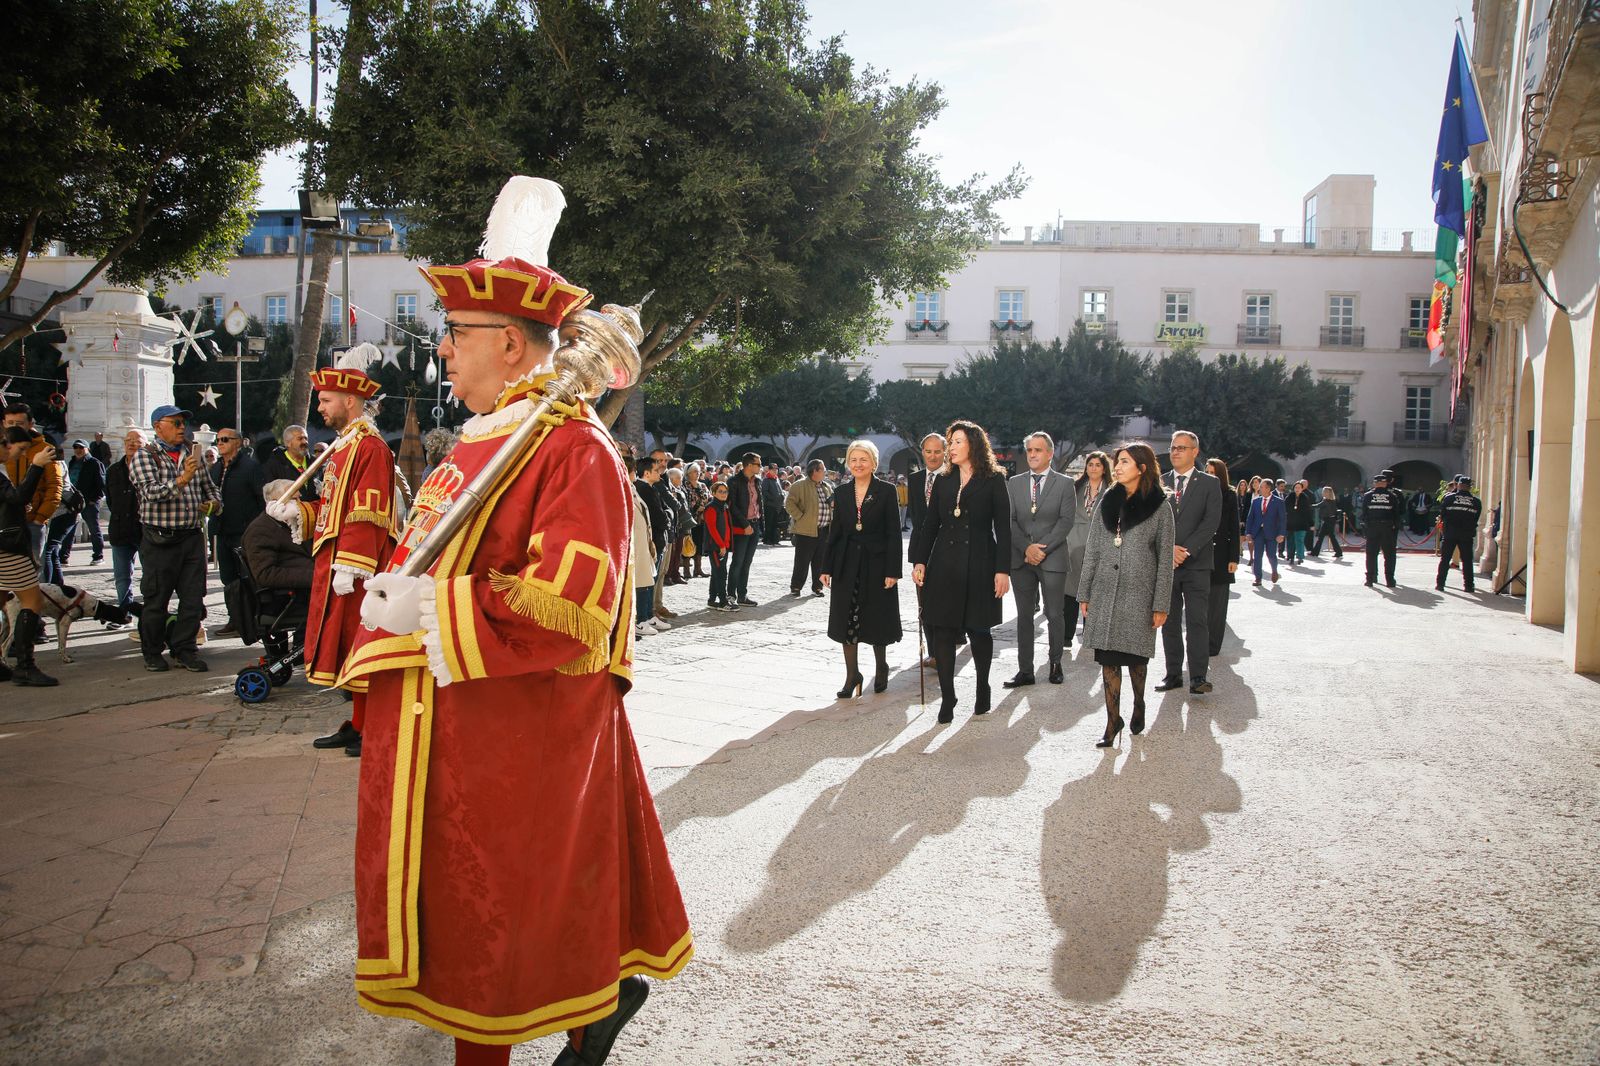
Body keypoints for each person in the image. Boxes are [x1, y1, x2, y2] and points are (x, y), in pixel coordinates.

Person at [345, 190, 692, 1065]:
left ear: (508, 341)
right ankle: (597, 1009)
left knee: (496, 933)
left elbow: (571, 610)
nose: (443, 349)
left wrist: (429, 609)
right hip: (445, 722)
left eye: (457, 333)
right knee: (472, 930)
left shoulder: (574, 448)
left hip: (513, 731)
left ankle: (589, 1009)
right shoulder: (476, 441)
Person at [265, 345, 400, 756]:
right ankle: (359, 723)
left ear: (349, 400)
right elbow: (333, 506)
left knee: (361, 644)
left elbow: (369, 509)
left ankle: (371, 726)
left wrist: (351, 565)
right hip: (337, 561)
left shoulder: (370, 448)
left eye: (325, 401)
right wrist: (297, 512)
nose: (319, 408)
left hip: (356, 568)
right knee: (347, 647)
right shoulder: (345, 445)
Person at [909, 420, 1011, 723]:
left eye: (956, 442)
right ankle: (948, 695)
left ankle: (982, 687)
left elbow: (1003, 529)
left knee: (979, 629)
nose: (950, 447)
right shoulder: (943, 479)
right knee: (942, 629)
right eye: (949, 442)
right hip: (945, 564)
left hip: (981, 563)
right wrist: (920, 561)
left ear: (973, 445)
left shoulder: (993, 479)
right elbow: (930, 524)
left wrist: (1002, 570)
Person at [1077, 443, 1175, 745]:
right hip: (1105, 590)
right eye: (1116, 462)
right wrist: (1085, 593)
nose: (1116, 467)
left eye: (1124, 462)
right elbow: (1093, 549)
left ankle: (1139, 703)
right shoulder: (1108, 500)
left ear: (1142, 467)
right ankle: (1111, 720)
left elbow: (1165, 559)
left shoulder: (1160, 506)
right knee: (1108, 659)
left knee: (1135, 658)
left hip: (1139, 593)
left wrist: (1161, 604)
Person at [129, 405, 220, 672]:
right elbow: (151, 493)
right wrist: (183, 479)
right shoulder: (145, 456)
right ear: (158, 426)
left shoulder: (194, 455)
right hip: (160, 539)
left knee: (193, 599)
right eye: (176, 422)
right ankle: (153, 651)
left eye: (184, 423)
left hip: (191, 537)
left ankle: (185, 649)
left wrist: (213, 505)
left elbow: (210, 489)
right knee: (156, 599)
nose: (183, 428)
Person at [819, 440, 902, 696]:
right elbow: (836, 532)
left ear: (873, 463)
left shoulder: (887, 491)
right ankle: (852, 674)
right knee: (846, 618)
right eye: (853, 459)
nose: (857, 464)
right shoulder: (842, 492)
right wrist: (827, 567)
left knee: (876, 616)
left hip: (876, 563)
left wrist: (893, 571)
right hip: (847, 563)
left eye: (863, 459)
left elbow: (893, 534)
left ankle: (881, 666)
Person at [1003, 431, 1074, 687]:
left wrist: (1042, 548)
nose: (1032, 455)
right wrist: (1027, 548)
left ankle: (1055, 663)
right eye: (1030, 450)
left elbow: (1066, 521)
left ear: (1050, 453)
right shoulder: (1014, 483)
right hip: (1021, 560)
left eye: (1038, 450)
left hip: (1052, 557)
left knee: (1054, 613)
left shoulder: (1065, 483)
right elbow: (1008, 521)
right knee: (1024, 616)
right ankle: (1025, 671)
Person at [1157, 430, 1221, 697]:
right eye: (1173, 447)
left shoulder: (1209, 483)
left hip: (1196, 564)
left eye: (1182, 448)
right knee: (1168, 621)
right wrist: (1168, 550)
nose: (1176, 452)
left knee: (1197, 621)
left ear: (1195, 452)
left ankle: (1197, 676)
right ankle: (1173, 674)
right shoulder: (1160, 482)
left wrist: (1186, 550)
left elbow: (1211, 523)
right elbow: (1155, 521)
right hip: (1166, 564)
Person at [0, 427, 61, 686]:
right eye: (14, 447)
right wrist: (35, 467)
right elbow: (18, 497)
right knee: (32, 600)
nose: (16, 452)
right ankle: (25, 666)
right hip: (8, 547)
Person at [242, 478, 314, 664]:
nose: (299, 503)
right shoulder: (261, 529)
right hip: (283, 598)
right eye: (293, 499)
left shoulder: (290, 523)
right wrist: (315, 576)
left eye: (299, 499)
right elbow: (265, 574)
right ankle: (305, 649)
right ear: (274, 501)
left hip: (302, 589)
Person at [208, 426, 267, 636]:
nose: (220, 443)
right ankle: (234, 618)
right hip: (222, 531)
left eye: (225, 439)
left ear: (238, 442)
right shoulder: (215, 468)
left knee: (247, 578)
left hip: (244, 533)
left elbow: (263, 500)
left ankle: (252, 619)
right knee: (227, 579)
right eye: (218, 440)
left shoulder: (250, 467)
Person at [2, 403, 62, 562]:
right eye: (10, 423)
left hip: (33, 522)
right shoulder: (3, 450)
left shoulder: (45, 449)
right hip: (6, 522)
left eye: (19, 424)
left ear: (30, 424)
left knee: (32, 572)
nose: (14, 427)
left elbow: (54, 486)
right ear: (3, 423)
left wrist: (40, 517)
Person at [906, 433, 946, 668]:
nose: (932, 456)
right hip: (921, 550)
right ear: (922, 452)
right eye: (928, 451)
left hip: (947, 549)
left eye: (937, 451)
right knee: (925, 602)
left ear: (944, 452)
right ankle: (933, 652)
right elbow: (916, 515)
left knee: (945, 601)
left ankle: (947, 645)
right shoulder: (915, 479)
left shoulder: (954, 477)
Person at [1064, 450, 1111, 648]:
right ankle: (1066, 635)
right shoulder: (1075, 487)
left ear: (1104, 468)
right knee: (1070, 590)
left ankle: (1090, 633)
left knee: (1093, 589)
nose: (1093, 468)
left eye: (1097, 465)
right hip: (1073, 542)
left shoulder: (1112, 490)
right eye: (1090, 465)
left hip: (1098, 542)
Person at [105, 428, 145, 613]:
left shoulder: (151, 469)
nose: (131, 444)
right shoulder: (113, 470)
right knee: (121, 576)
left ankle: (151, 613)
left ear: (146, 445)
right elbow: (111, 501)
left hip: (144, 531)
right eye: (128, 440)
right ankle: (124, 612)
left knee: (151, 575)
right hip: (120, 529)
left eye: (137, 441)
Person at [1205, 458, 1241, 657]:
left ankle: (1213, 645)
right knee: (1200, 604)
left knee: (1217, 605)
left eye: (1213, 472)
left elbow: (1234, 528)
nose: (1209, 476)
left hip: (1221, 555)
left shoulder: (1229, 494)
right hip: (1200, 554)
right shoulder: (1200, 492)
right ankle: (1198, 642)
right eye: (1207, 472)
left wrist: (1233, 558)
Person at [632, 457, 670, 632]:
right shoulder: (643, 489)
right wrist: (667, 517)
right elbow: (658, 515)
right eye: (656, 470)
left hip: (655, 540)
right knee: (645, 581)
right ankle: (643, 618)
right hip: (650, 541)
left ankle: (649, 614)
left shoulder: (651, 487)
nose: (659, 473)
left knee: (651, 580)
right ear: (646, 473)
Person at [785, 459, 831, 597]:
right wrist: (801, 517)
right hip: (805, 531)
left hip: (823, 530)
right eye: (822, 469)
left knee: (820, 561)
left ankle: (817, 587)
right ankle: (796, 587)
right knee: (802, 561)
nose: (825, 472)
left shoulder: (826, 487)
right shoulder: (799, 486)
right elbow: (789, 504)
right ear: (815, 471)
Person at [725, 451, 764, 606]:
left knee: (747, 562)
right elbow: (732, 506)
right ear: (749, 465)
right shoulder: (734, 481)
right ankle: (731, 595)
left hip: (754, 525)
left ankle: (742, 595)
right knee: (738, 562)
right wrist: (745, 524)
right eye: (758, 464)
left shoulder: (758, 481)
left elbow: (759, 504)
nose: (760, 467)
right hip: (741, 527)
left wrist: (759, 525)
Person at [629, 463, 661, 638]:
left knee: (647, 581)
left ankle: (645, 616)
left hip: (644, 542)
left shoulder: (634, 488)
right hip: (635, 545)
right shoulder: (630, 488)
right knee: (640, 583)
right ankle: (639, 620)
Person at [1437, 474, 1483, 592]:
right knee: (1467, 561)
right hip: (1466, 534)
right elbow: (1475, 518)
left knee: (1445, 559)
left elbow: (1443, 515)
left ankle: (1440, 584)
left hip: (1450, 533)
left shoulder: (1449, 498)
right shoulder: (1476, 502)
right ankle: (1469, 586)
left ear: (1458, 485)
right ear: (1469, 487)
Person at [1360, 469, 1406, 588]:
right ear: (1386, 483)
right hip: (1388, 528)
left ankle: (1370, 579)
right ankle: (1389, 580)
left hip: (1372, 527)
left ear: (1375, 483)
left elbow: (1364, 513)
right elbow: (1397, 513)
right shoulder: (1392, 496)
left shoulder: (1368, 495)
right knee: (1389, 555)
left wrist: (1366, 526)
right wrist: (1395, 526)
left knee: (1371, 554)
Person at [66, 439, 107, 563]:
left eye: (81, 447)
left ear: (87, 449)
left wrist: (94, 499)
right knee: (68, 529)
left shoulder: (95, 463)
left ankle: (98, 556)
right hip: (73, 501)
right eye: (76, 447)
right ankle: (64, 556)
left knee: (94, 529)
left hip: (89, 501)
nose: (78, 450)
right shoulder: (72, 462)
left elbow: (102, 483)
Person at [1244, 478, 1286, 586]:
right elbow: (1250, 518)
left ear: (1268, 488)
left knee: (1271, 555)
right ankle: (1258, 578)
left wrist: (1281, 534)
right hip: (1258, 532)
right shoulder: (1256, 501)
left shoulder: (1278, 502)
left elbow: (1282, 519)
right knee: (1257, 555)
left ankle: (1274, 570)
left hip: (1272, 533)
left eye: (1262, 487)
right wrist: (1248, 532)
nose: (1259, 489)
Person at [262, 423, 317, 501]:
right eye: (300, 438)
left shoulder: (316, 462)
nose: (305, 442)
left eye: (306, 438)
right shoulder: (273, 465)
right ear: (288, 443)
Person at [703, 479, 734, 609]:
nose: (723, 494)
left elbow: (727, 527)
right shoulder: (711, 507)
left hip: (723, 546)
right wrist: (721, 545)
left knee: (717, 572)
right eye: (720, 491)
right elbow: (712, 529)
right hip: (716, 546)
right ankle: (722, 601)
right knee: (721, 573)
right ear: (714, 493)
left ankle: (711, 599)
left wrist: (726, 544)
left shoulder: (724, 506)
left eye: (725, 491)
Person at [681, 462, 711, 580]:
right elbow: (684, 503)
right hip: (689, 519)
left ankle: (698, 569)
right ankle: (686, 569)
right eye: (694, 471)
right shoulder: (685, 486)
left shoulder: (703, 486)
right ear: (688, 473)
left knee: (700, 543)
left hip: (702, 519)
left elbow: (709, 498)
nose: (697, 474)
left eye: (698, 471)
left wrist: (705, 508)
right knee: (688, 542)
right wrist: (696, 508)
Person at [1285, 479, 1315, 564]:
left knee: (1300, 540)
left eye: (1299, 487)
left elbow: (1308, 512)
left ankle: (1300, 556)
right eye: (1296, 487)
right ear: (1293, 488)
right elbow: (1285, 508)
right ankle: (1290, 556)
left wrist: (1311, 524)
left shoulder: (1305, 498)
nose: (1297, 489)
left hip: (1302, 523)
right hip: (1291, 523)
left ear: (1302, 489)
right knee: (1290, 541)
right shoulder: (1289, 497)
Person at [761, 463, 785, 544]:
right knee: (769, 523)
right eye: (774, 469)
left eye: (776, 469)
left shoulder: (776, 479)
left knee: (775, 523)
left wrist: (782, 495)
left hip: (777, 505)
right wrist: (773, 498)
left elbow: (780, 489)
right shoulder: (766, 480)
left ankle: (774, 539)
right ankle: (767, 539)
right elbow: (764, 492)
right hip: (769, 505)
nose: (775, 471)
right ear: (770, 470)